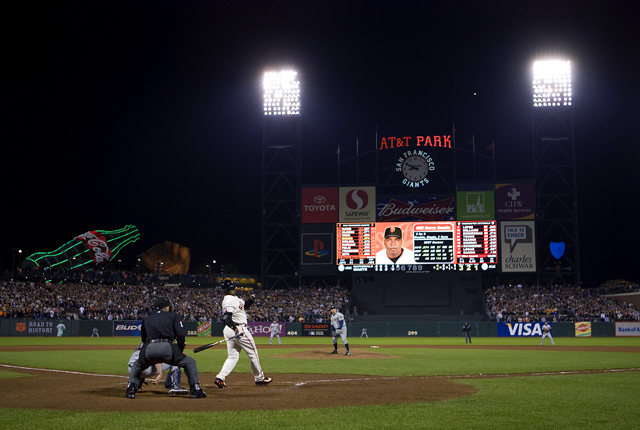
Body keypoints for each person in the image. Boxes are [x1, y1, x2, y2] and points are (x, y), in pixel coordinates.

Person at [125, 297, 206, 399]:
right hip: (167, 348)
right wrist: (179, 350)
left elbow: (144, 340)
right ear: (166, 308)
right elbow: (181, 335)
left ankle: (130, 390)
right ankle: (195, 390)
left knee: (137, 365)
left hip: (150, 348)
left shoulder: (147, 318)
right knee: (189, 362)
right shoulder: (174, 316)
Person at [214, 280, 272, 388]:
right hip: (238, 328)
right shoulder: (228, 300)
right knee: (253, 353)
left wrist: (251, 299)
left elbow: (244, 306)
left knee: (233, 357)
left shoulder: (235, 299)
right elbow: (226, 318)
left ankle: (220, 377)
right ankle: (260, 378)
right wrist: (236, 330)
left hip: (231, 329)